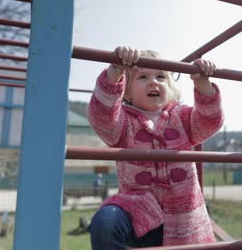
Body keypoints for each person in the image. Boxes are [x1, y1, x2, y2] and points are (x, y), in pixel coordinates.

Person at [87, 46, 224, 249]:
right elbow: (101, 117)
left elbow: (210, 120)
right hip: (137, 210)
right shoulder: (123, 122)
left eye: (161, 76)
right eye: (143, 77)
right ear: (127, 91)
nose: (153, 81)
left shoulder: (182, 117)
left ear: (169, 87)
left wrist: (203, 84)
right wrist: (115, 71)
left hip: (183, 218)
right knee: (105, 223)